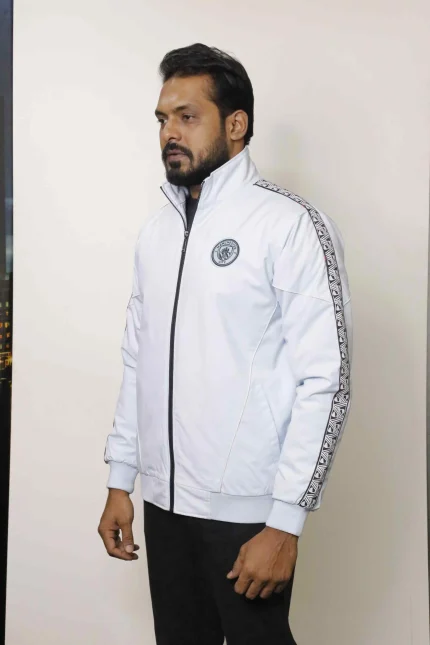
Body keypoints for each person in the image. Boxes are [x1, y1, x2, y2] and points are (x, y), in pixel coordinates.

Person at [98, 43, 352, 645]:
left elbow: (327, 380)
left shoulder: (289, 224)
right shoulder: (156, 234)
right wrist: (121, 479)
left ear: (235, 125)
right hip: (164, 507)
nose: (169, 133)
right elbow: (139, 361)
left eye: (188, 116)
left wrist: (285, 522)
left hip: (248, 516)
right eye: (163, 118)